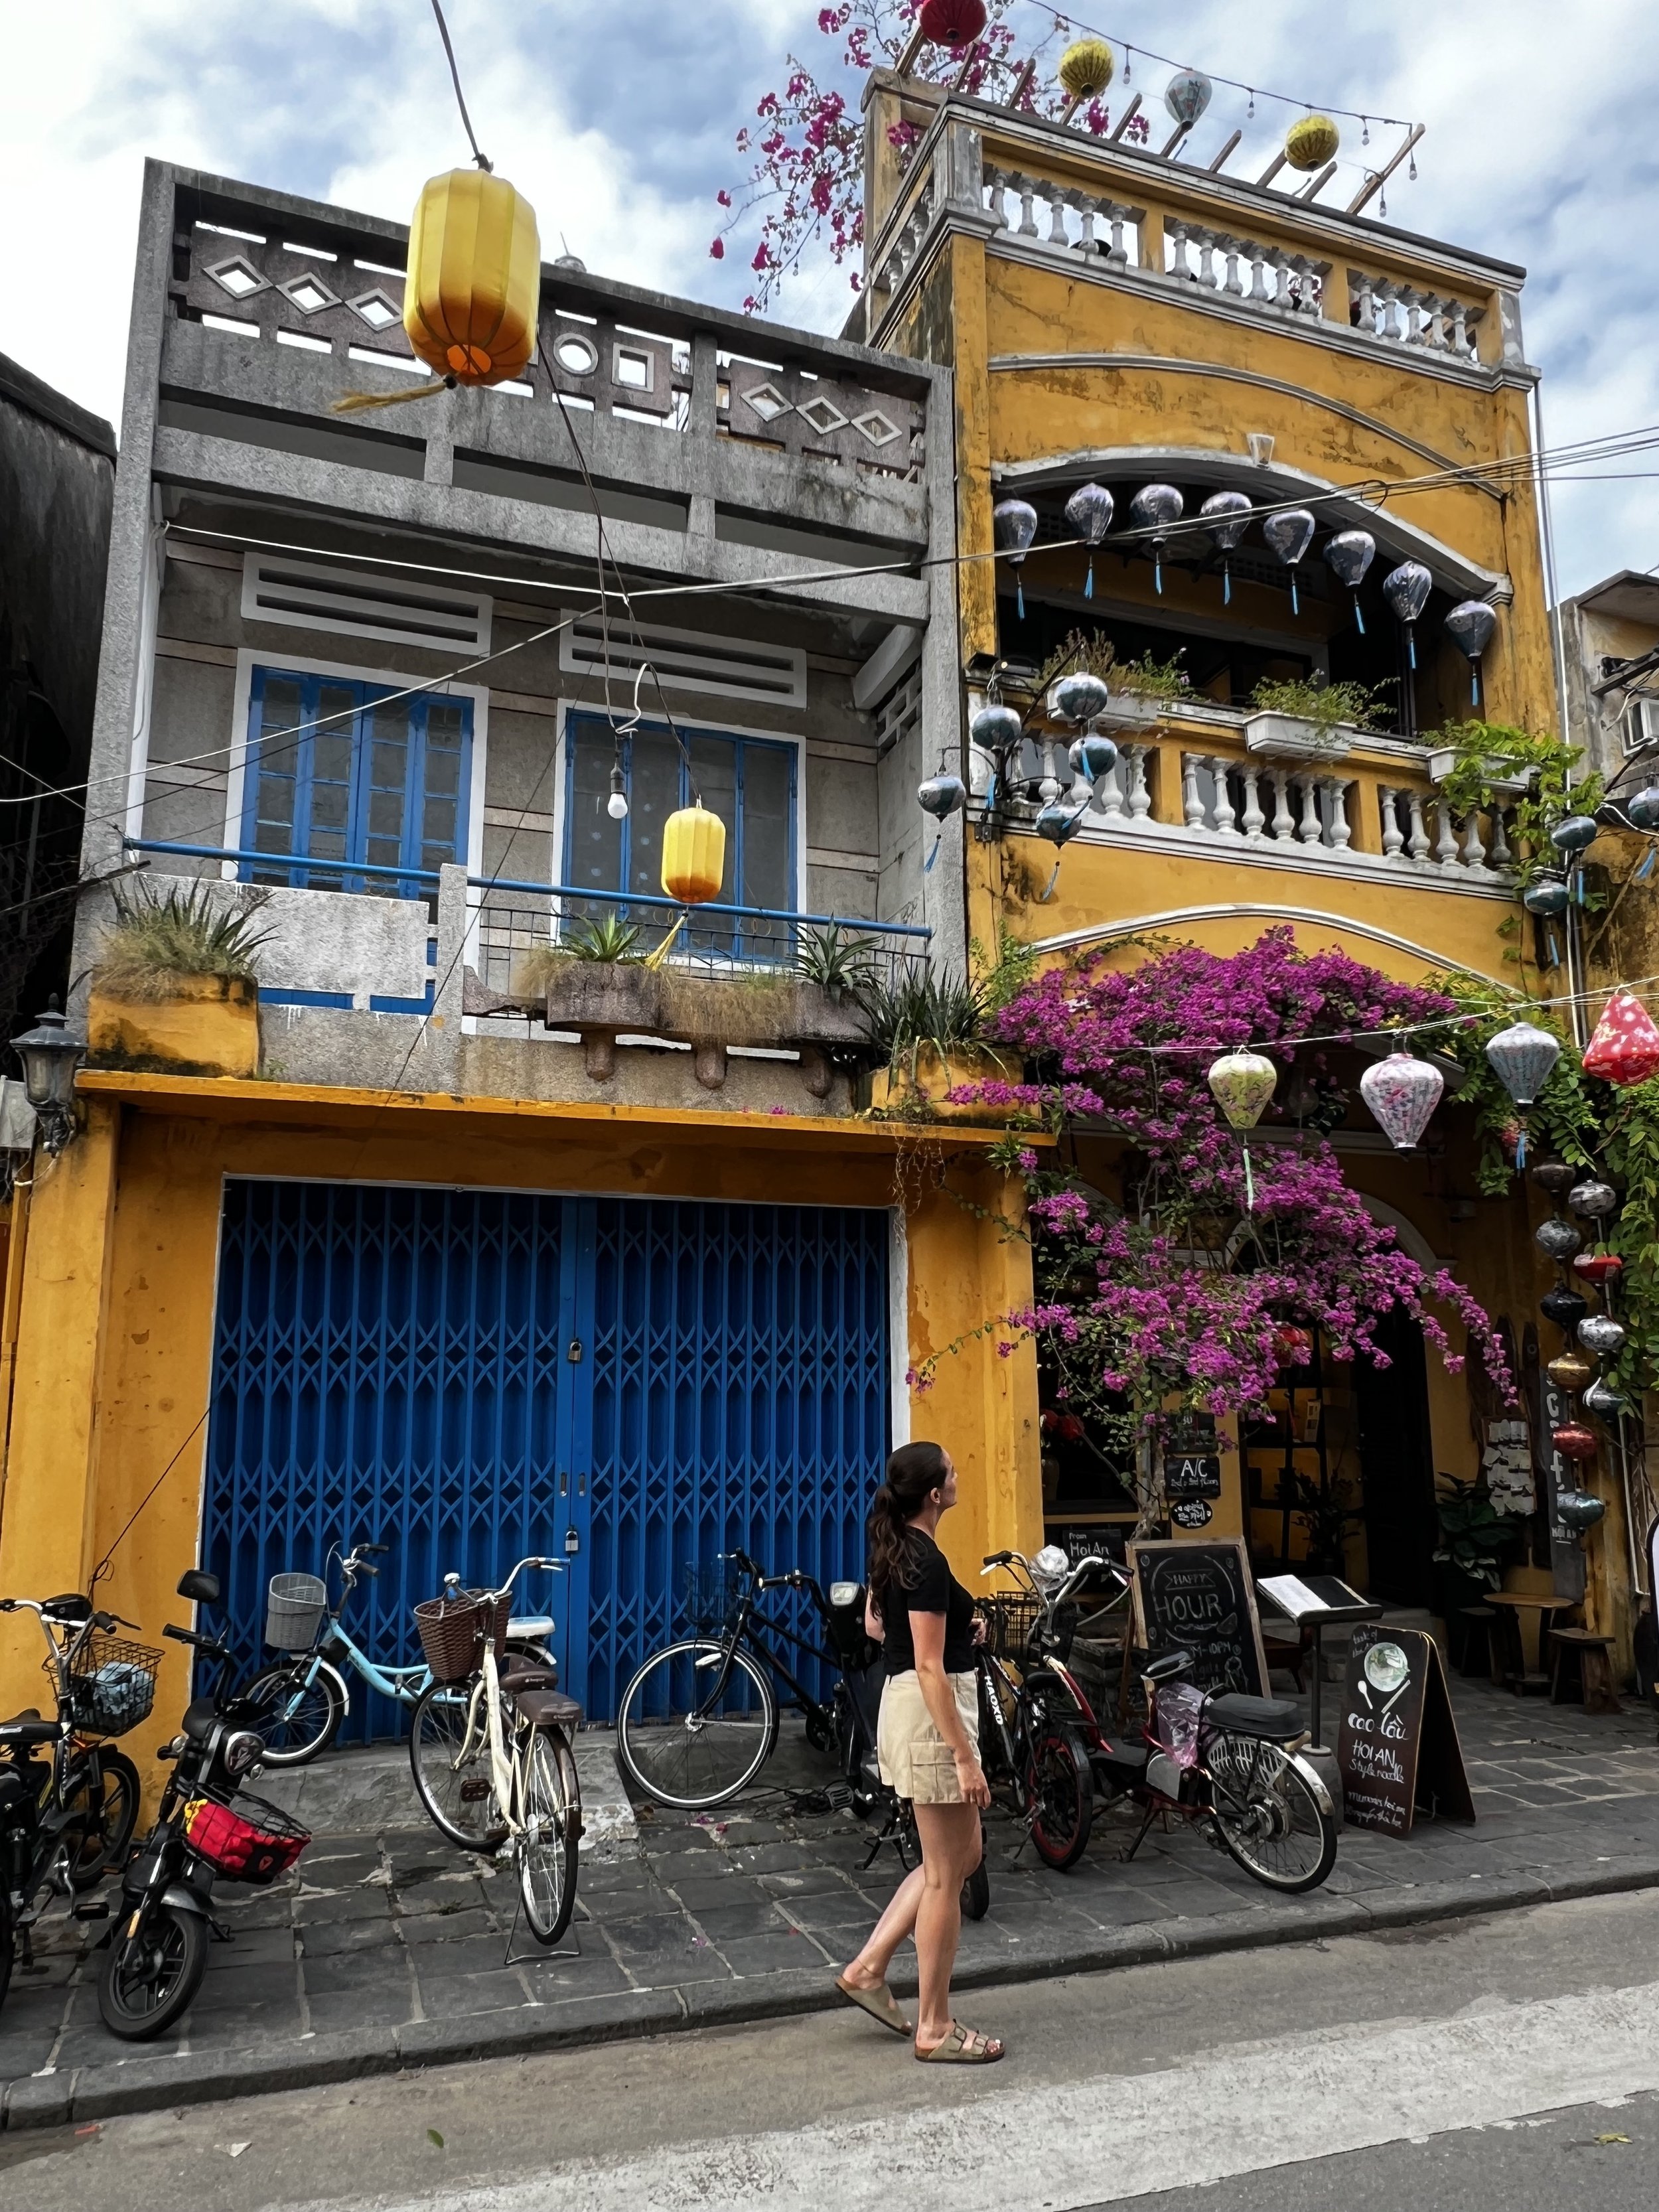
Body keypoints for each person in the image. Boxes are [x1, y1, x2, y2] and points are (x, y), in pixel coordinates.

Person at [835, 1441, 1003, 2063]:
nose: (960, 1476)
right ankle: (934, 2025)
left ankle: (870, 1966)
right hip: (933, 1716)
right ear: (934, 1493)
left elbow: (881, 1627)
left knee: (963, 1854)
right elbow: (929, 1666)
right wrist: (964, 1755)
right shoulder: (923, 1558)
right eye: (954, 1471)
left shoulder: (897, 1549)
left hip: (909, 1708)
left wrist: (961, 1626)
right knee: (943, 1874)